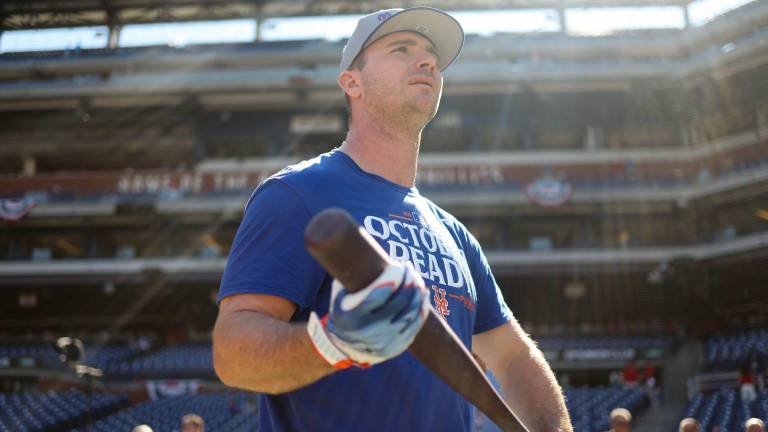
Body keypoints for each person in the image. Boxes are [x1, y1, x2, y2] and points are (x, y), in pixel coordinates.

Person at [213, 6, 572, 432]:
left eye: (431, 55)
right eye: (402, 49)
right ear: (352, 82)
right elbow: (233, 355)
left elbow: (512, 356)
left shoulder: (454, 235)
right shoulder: (296, 194)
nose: (427, 62)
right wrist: (335, 341)